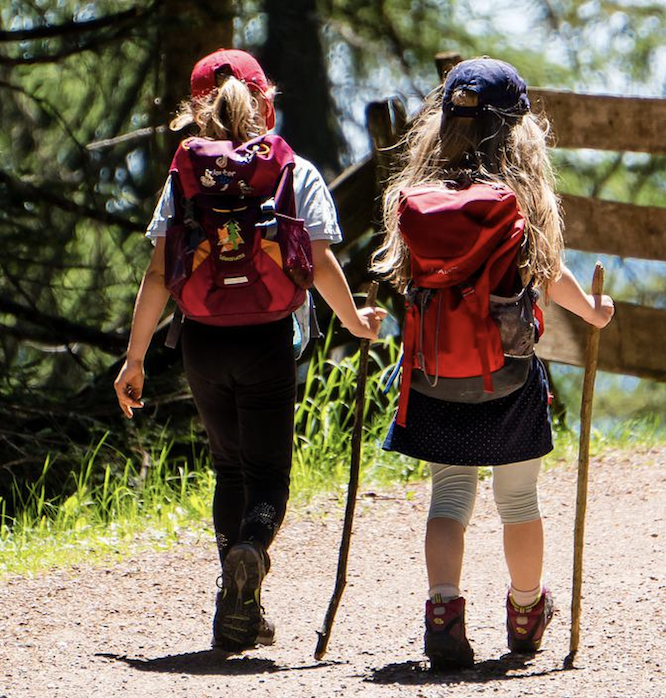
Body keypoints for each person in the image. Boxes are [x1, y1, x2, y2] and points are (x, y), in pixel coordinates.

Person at [113, 48, 385, 652]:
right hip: (268, 338)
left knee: (229, 469)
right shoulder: (292, 170)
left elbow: (158, 274)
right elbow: (318, 263)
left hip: (202, 340)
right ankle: (252, 552)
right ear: (266, 103)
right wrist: (356, 323)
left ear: (196, 111)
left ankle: (237, 605)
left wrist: (134, 360)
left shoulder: (184, 178)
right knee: (268, 476)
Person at [371, 57, 614, 669]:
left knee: (449, 497)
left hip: (432, 378)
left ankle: (442, 610)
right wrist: (592, 312)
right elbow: (547, 274)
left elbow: (403, 279)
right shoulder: (519, 199)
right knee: (519, 499)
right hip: (507, 379)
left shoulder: (414, 198)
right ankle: (527, 611)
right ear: (518, 129)